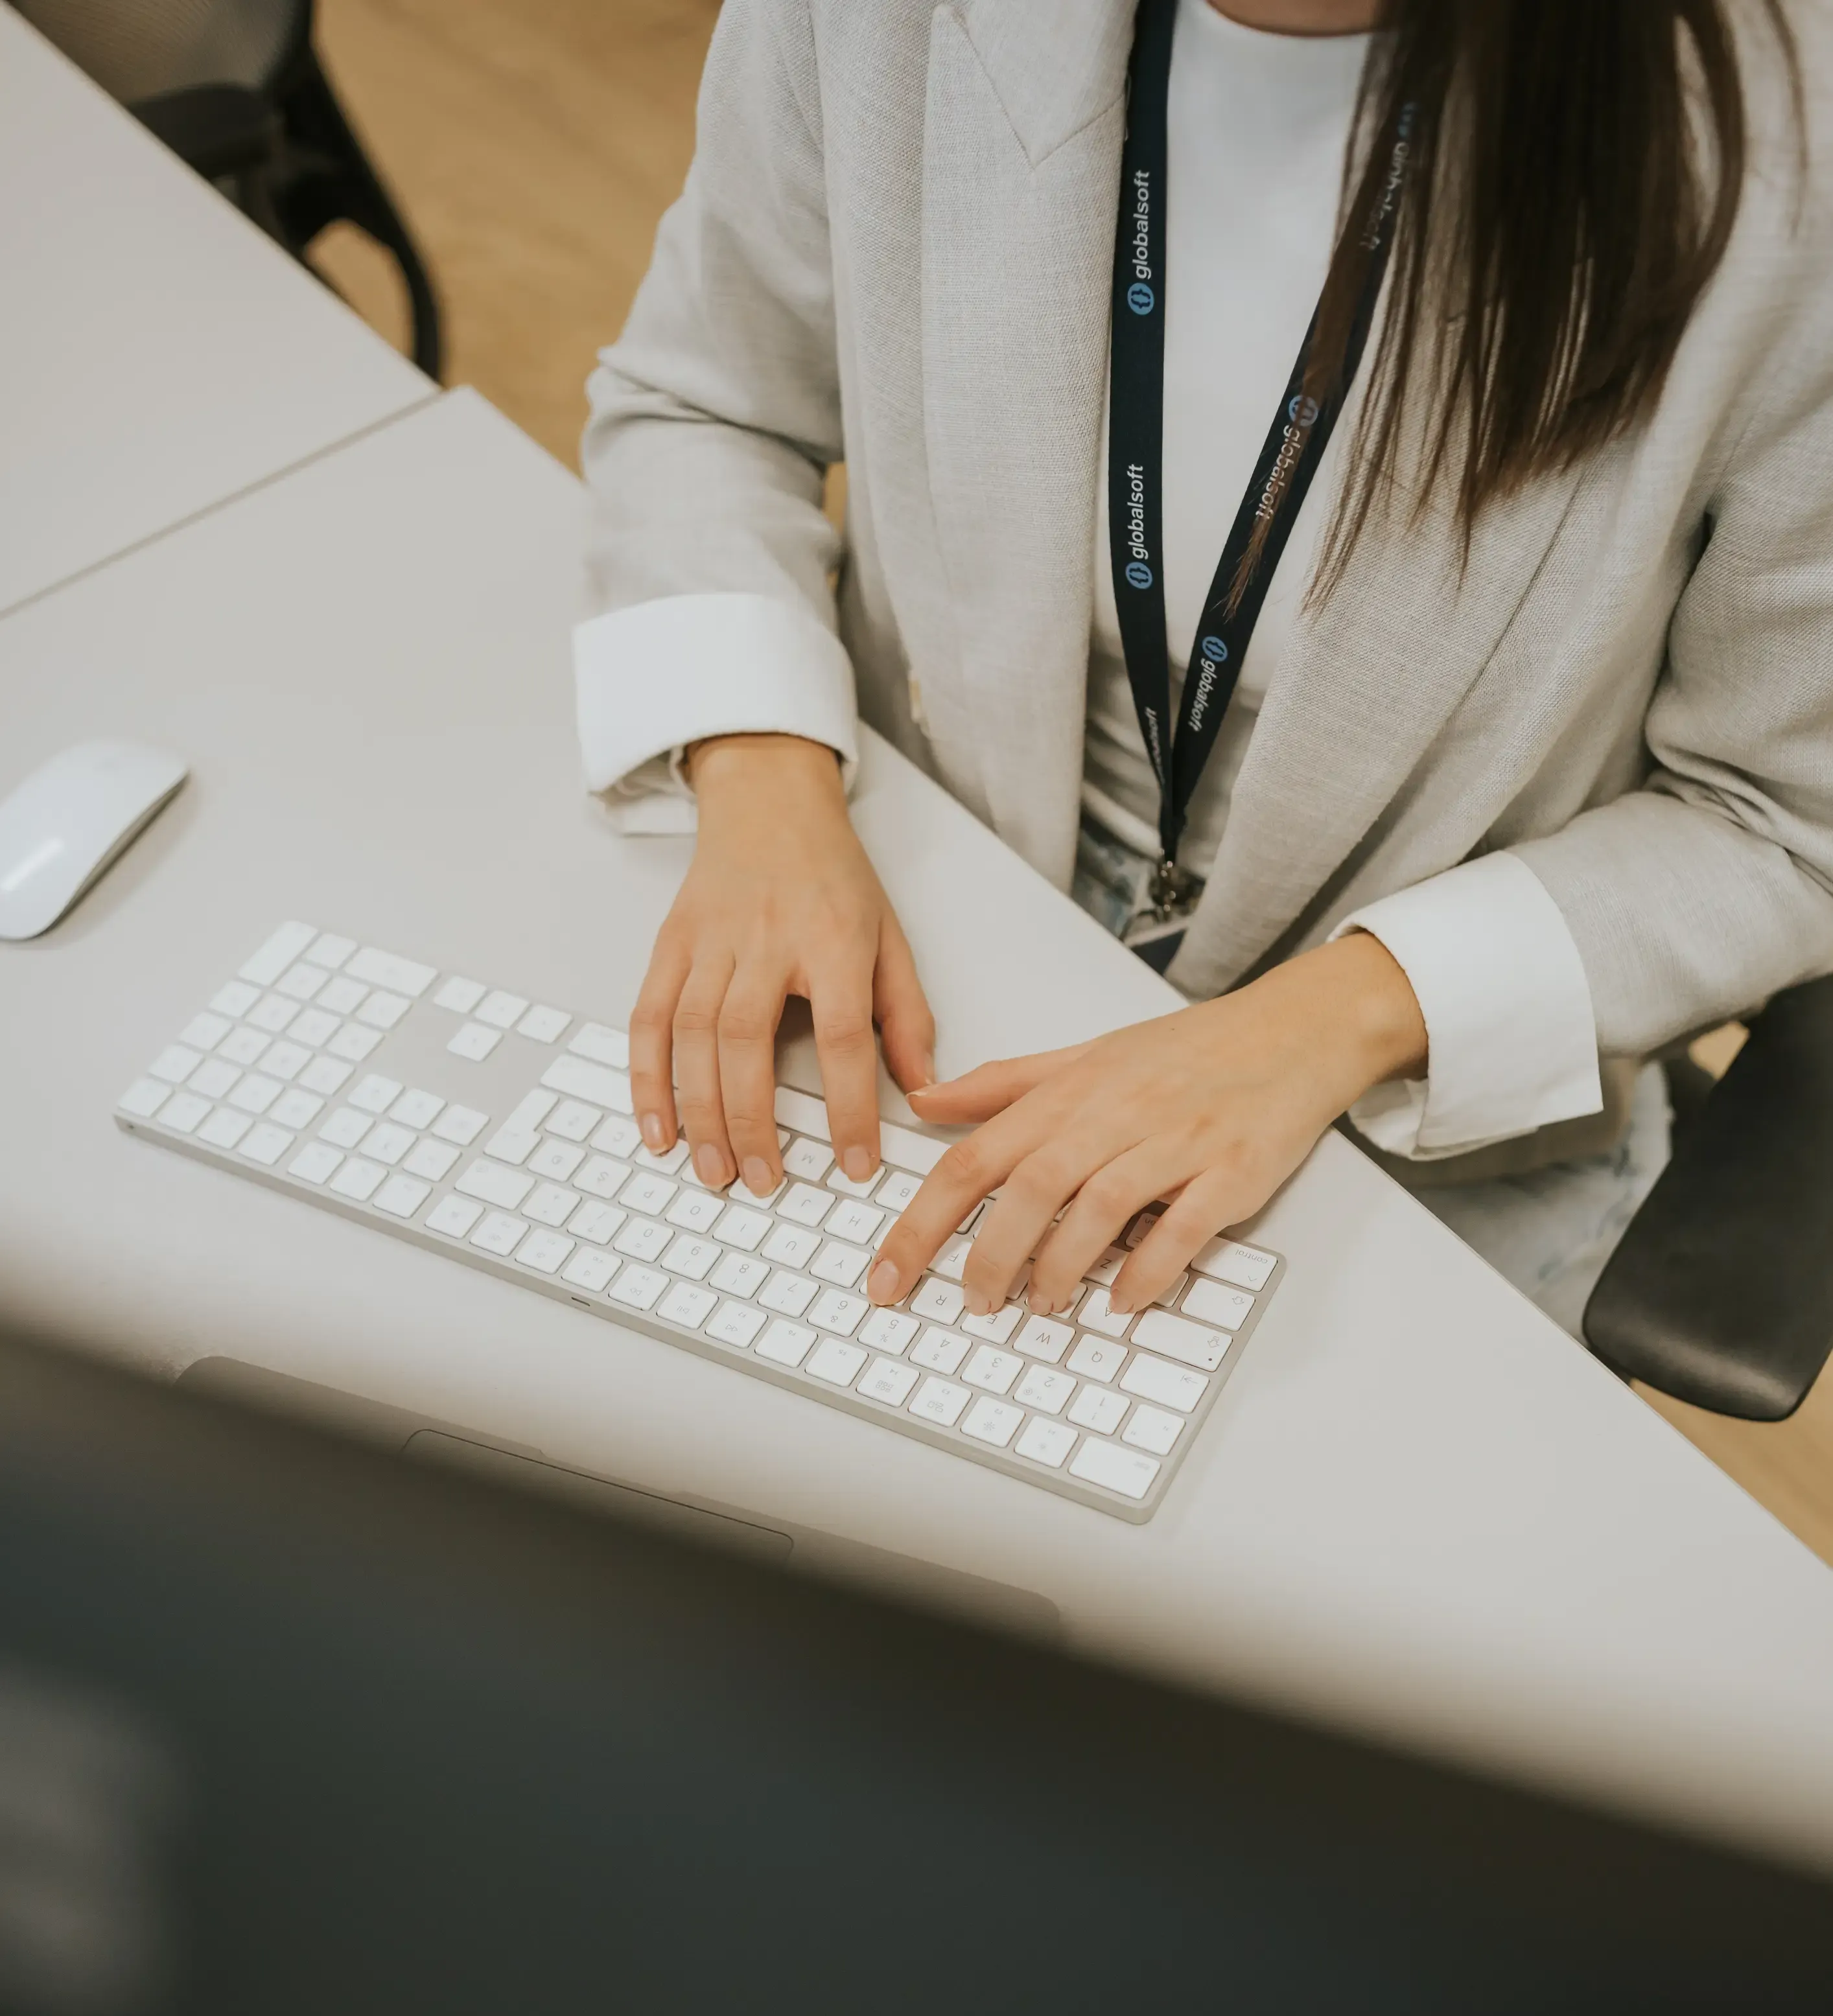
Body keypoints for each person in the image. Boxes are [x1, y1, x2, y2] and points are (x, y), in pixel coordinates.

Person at [574, 0, 1832, 1340]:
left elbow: (1784, 822)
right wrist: (763, 780)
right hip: (921, 900)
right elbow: (705, 401)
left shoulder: (1785, 163)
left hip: (1418, 1067)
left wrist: (1334, 1020)